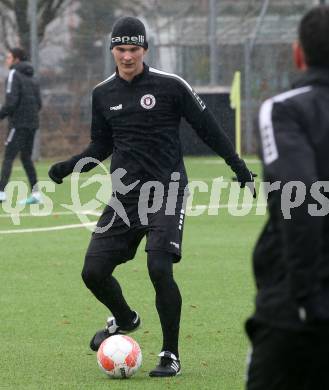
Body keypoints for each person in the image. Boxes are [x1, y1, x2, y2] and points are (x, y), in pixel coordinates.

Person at [48, 16, 255, 377]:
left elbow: (208, 129)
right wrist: (70, 166)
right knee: (93, 271)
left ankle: (170, 354)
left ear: (145, 49)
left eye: (134, 49)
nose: (127, 56)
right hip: (126, 197)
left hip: (167, 190)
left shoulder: (170, 86)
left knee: (159, 267)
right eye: (121, 49)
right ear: (112, 50)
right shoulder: (103, 94)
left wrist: (238, 166)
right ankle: (126, 319)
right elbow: (103, 144)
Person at [246, 5, 329, 390]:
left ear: (299, 53)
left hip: (299, 312)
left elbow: (301, 201)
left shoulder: (284, 110)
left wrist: (303, 297)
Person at [0, 47, 42, 204]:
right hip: (32, 123)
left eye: (9, 57)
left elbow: (11, 102)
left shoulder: (13, 74)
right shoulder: (32, 77)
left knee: (8, 157)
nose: (7, 60)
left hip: (18, 124)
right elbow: (39, 103)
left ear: (16, 59)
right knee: (26, 158)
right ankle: (36, 195)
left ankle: (1, 193)